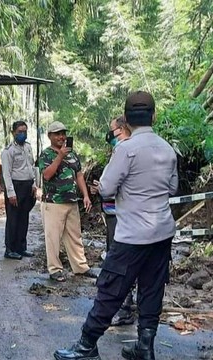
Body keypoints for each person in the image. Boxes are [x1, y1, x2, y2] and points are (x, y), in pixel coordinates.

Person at [54, 91, 178, 360]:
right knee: (152, 288)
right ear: (154, 116)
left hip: (133, 234)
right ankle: (145, 346)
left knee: (110, 287)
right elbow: (172, 187)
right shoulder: (167, 149)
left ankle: (87, 345)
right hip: (162, 232)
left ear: (127, 122)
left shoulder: (126, 150)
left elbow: (107, 188)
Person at [90, 115, 137, 327]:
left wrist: (101, 188)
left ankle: (124, 308)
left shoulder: (123, 150)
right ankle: (130, 307)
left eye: (112, 130)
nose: (111, 135)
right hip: (125, 213)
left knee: (120, 261)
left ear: (121, 129)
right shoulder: (144, 149)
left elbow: (110, 187)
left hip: (120, 214)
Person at [38, 121, 98, 282]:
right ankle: (55, 269)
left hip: (71, 201)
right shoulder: (46, 155)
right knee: (53, 238)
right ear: (50, 136)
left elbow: (79, 175)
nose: (61, 137)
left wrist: (86, 195)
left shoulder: (72, 154)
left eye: (63, 133)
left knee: (75, 236)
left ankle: (80, 267)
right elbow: (47, 175)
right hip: (53, 202)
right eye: (57, 134)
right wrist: (60, 156)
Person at [1, 120, 37, 260]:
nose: (22, 134)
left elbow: (31, 167)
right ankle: (10, 249)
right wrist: (11, 193)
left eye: (24, 131)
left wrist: (33, 184)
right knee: (13, 219)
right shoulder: (9, 151)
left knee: (24, 218)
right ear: (13, 133)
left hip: (27, 186)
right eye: (19, 132)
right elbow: (6, 173)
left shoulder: (28, 147)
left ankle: (22, 247)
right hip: (15, 186)